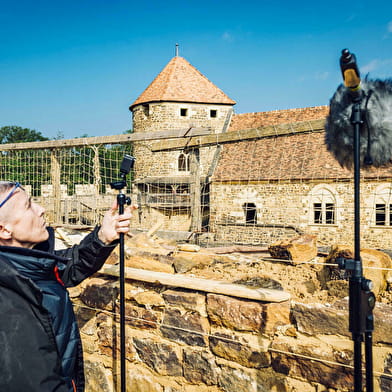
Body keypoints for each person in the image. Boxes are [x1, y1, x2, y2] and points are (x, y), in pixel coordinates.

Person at [0, 181, 133, 392]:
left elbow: (65, 267)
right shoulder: (9, 301)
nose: (41, 209)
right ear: (4, 229)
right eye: (29, 205)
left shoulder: (28, 267)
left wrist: (102, 238)